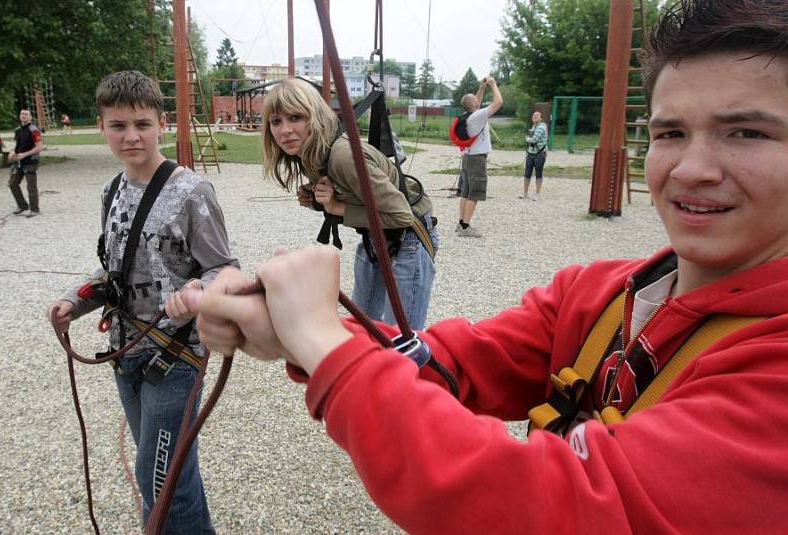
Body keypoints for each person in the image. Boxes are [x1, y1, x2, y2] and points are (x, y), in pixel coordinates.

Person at [186, 0, 788, 532]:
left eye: (747, 133)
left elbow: (543, 503)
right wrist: (289, 330)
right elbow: (450, 362)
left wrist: (326, 343)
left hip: (403, 243)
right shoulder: (593, 295)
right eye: (671, 133)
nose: (693, 168)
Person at [47, 71, 238, 534]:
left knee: (160, 478)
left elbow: (224, 269)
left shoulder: (191, 193)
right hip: (125, 354)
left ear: (163, 123)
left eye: (141, 124)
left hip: (175, 358)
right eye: (118, 126)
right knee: (170, 473)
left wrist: (194, 295)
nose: (131, 136)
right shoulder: (112, 192)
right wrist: (76, 301)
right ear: (102, 127)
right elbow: (115, 270)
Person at [260, 77, 439, 331]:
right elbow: (358, 200)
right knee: (361, 330)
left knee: (402, 340)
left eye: (296, 118)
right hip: (375, 237)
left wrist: (336, 208)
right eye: (276, 122)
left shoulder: (343, 156)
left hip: (409, 238)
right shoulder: (313, 153)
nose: (285, 130)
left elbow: (401, 215)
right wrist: (320, 201)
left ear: (315, 117)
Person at [455, 76, 502, 238]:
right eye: (476, 99)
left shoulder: (468, 115)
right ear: (473, 104)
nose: (478, 101)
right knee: (475, 193)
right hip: (477, 159)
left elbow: (477, 103)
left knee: (465, 192)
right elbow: (499, 102)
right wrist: (493, 85)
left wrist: (482, 88)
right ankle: (466, 227)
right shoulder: (478, 116)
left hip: (468, 156)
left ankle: (461, 223)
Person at [8, 109, 44, 218]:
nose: (23, 116)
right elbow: (17, 146)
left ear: (30, 117)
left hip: (31, 162)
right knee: (12, 184)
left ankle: (35, 210)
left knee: (31, 186)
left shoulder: (34, 130)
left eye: (26, 114)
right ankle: (22, 205)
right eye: (22, 114)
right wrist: (13, 153)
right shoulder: (18, 130)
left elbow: (39, 147)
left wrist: (25, 154)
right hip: (19, 162)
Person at [521, 110, 547, 200]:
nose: (535, 116)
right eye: (534, 115)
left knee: (538, 174)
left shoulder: (541, 127)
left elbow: (534, 139)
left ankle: (537, 194)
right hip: (531, 153)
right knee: (527, 173)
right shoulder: (533, 126)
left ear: (541, 118)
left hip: (540, 154)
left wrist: (527, 139)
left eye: (537, 115)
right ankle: (525, 193)